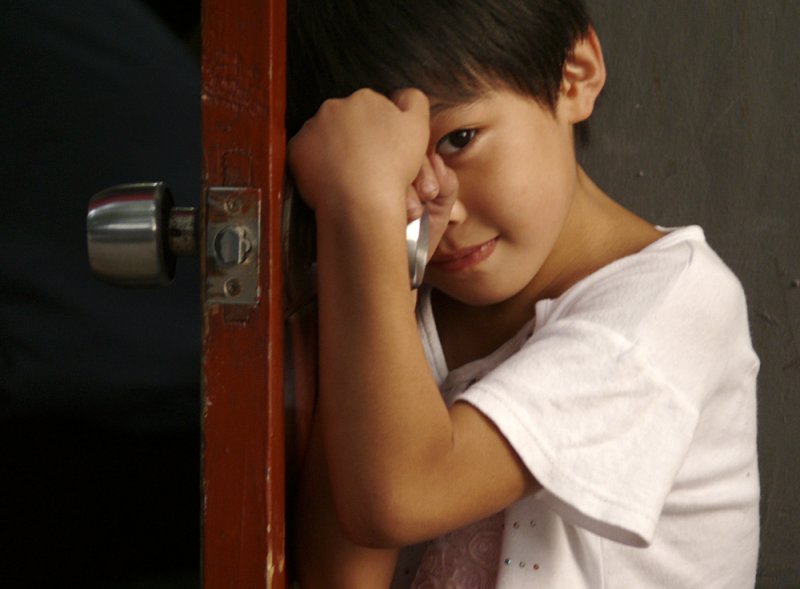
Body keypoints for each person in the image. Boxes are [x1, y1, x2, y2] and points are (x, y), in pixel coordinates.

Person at [285, 0, 760, 587]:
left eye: (459, 139)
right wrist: (379, 242)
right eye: (401, 176)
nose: (444, 206)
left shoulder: (669, 309)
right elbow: (342, 577)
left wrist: (360, 201)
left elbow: (400, 499)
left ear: (575, 76)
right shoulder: (404, 301)